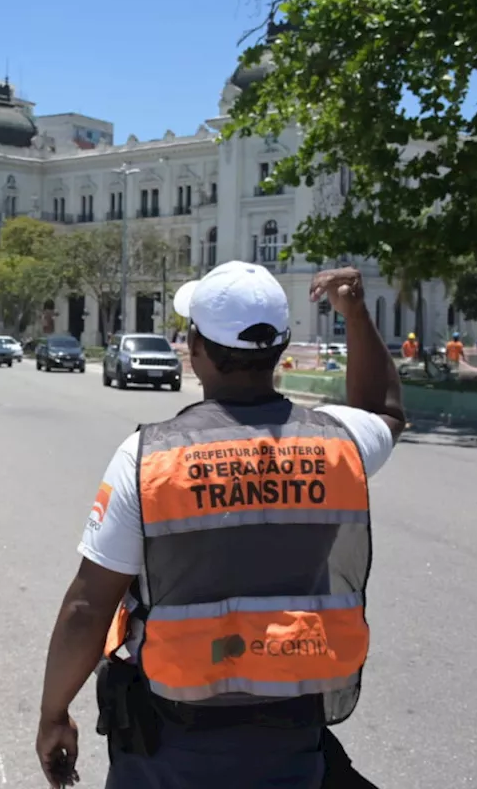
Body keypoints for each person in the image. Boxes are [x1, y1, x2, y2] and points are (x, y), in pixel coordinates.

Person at [36, 262, 404, 789]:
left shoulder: (147, 458)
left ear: (194, 348)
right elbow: (383, 410)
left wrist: (54, 713)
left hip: (168, 743)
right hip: (291, 733)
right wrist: (356, 314)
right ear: (281, 348)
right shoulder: (339, 443)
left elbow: (87, 606)